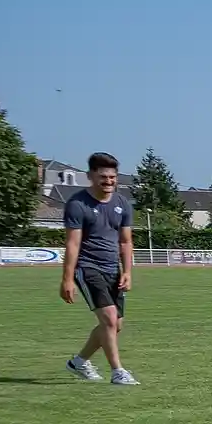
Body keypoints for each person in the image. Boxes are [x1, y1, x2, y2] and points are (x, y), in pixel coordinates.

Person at [59, 152, 137, 384]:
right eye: (103, 176)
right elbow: (72, 243)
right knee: (110, 319)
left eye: (113, 177)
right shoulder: (77, 204)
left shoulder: (122, 204)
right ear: (90, 176)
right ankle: (118, 372)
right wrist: (67, 279)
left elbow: (125, 241)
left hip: (113, 268)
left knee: (115, 325)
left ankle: (79, 362)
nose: (109, 181)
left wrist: (127, 272)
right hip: (88, 267)